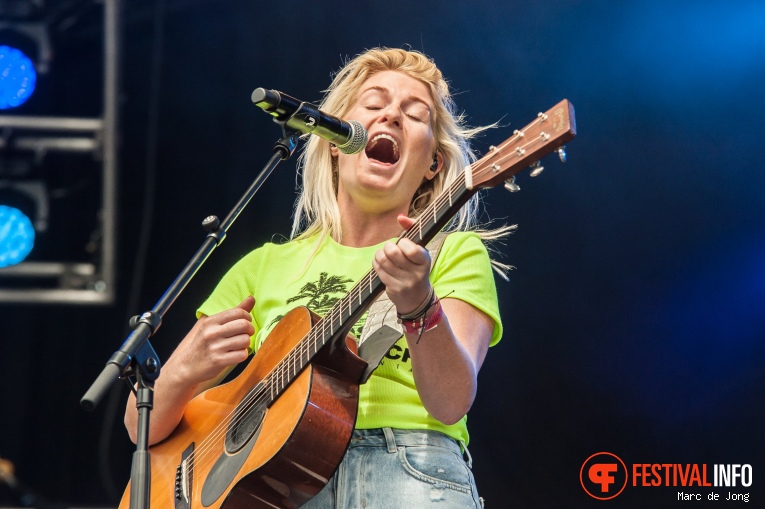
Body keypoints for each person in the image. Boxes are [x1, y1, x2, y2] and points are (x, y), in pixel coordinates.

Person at [125, 47, 506, 508]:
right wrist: (185, 369)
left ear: (433, 164)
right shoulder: (263, 265)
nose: (391, 115)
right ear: (332, 139)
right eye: (373, 104)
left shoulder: (453, 252)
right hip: (275, 481)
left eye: (415, 113)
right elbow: (141, 427)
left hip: (408, 468)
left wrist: (418, 304)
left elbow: (450, 402)